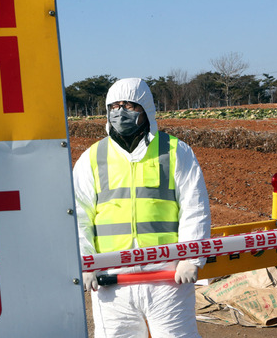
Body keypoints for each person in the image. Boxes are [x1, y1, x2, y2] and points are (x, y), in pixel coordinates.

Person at [73, 78, 211, 338]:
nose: (120, 112)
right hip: (111, 280)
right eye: (114, 106)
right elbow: (79, 215)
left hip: (167, 278)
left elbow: (195, 207)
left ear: (145, 110)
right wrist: (88, 262)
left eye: (128, 105)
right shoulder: (91, 158)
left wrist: (191, 258)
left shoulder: (175, 151)